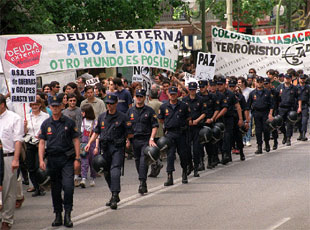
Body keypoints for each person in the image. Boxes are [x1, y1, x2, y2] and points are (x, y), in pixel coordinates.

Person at [38, 95, 81, 228]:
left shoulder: (69, 122)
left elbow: (76, 140)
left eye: (57, 106)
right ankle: (58, 214)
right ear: (50, 107)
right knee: (55, 190)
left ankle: (68, 214)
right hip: (52, 160)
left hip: (67, 159)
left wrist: (77, 159)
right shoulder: (46, 124)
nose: (55, 108)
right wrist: (41, 160)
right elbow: (41, 142)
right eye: (53, 106)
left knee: (68, 187)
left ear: (62, 106)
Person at [85, 94, 130, 210]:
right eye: (107, 103)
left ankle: (115, 195)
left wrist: (127, 140)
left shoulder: (123, 117)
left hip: (117, 147)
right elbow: (96, 131)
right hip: (105, 148)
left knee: (115, 170)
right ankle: (114, 193)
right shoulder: (102, 117)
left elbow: (129, 132)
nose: (109, 105)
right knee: (106, 172)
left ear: (116, 103)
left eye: (111, 103)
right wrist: (89, 143)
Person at [127, 89, 158, 194]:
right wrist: (126, 139)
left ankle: (142, 182)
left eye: (141, 96)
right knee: (137, 161)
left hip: (146, 139)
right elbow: (126, 127)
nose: (139, 98)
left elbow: (154, 126)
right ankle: (143, 181)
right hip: (134, 140)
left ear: (145, 98)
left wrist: (152, 138)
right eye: (137, 96)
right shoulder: (130, 111)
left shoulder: (149, 111)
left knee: (143, 160)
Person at [158, 86, 191, 186]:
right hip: (170, 134)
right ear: (168, 94)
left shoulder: (183, 106)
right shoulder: (164, 107)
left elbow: (188, 118)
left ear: (177, 94)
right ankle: (169, 177)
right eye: (171, 94)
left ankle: (184, 173)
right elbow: (161, 119)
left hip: (181, 133)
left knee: (183, 154)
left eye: (174, 94)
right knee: (170, 156)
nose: (172, 96)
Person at [0, 94, 23, 230]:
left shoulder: (14, 118)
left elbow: (18, 140)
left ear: (2, 104)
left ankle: (7, 220)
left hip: (8, 156)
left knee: (8, 189)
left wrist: (16, 159)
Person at [24, 98, 49, 197]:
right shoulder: (27, 116)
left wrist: (42, 133)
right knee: (30, 167)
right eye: (32, 105)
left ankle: (42, 185)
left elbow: (48, 129)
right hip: (30, 143)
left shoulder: (45, 116)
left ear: (40, 105)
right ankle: (36, 187)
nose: (34, 106)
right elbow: (24, 132)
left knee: (38, 165)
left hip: (41, 143)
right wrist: (25, 126)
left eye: (36, 104)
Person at [215, 77, 243, 164]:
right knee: (218, 137)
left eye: (221, 84)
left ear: (225, 85)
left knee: (228, 136)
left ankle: (228, 154)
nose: (219, 86)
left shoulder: (230, 94)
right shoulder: (215, 94)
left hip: (229, 118)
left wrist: (241, 119)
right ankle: (223, 155)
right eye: (218, 84)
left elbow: (238, 106)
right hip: (218, 118)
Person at [182, 82, 206, 177]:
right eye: (190, 89)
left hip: (197, 127)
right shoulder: (184, 100)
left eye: (194, 89)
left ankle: (196, 167)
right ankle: (189, 165)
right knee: (187, 149)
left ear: (196, 89)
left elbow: (204, 113)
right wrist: (188, 121)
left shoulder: (200, 100)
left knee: (196, 149)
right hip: (187, 128)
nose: (192, 91)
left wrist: (197, 120)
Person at [248, 76, 274, 154]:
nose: (259, 83)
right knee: (258, 131)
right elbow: (248, 105)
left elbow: (272, 105)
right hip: (256, 113)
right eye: (258, 82)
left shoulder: (267, 92)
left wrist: (270, 114)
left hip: (265, 112)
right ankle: (259, 146)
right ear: (255, 83)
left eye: (260, 82)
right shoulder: (252, 93)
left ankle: (267, 143)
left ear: (263, 83)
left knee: (266, 129)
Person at [276, 74, 300, 146]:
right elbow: (276, 98)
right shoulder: (280, 87)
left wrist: (298, 107)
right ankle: (285, 134)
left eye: (288, 78)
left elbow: (298, 98)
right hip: (281, 108)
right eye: (286, 78)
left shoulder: (294, 88)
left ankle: (288, 138)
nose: (287, 79)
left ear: (290, 79)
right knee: (280, 123)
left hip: (290, 108)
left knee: (289, 124)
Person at [79, 104, 97, 188]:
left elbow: (97, 136)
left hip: (92, 143)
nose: (82, 113)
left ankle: (92, 178)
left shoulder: (95, 122)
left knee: (92, 162)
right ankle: (83, 178)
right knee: (84, 161)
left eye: (83, 112)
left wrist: (96, 147)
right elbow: (81, 133)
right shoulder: (82, 121)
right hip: (84, 143)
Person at [147, 89, 164, 177]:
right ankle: (157, 162)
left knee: (152, 151)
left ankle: (156, 163)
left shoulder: (149, 105)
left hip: (152, 130)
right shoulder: (162, 104)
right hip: (160, 129)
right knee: (158, 149)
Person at [264, 78, 279, 150]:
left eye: (266, 83)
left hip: (274, 111)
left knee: (273, 127)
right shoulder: (263, 92)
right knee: (265, 128)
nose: (265, 85)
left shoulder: (274, 92)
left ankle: (275, 142)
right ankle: (266, 144)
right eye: (264, 84)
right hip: (265, 111)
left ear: (270, 84)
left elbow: (278, 100)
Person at [297, 74, 310, 141]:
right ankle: (300, 133)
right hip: (297, 106)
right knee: (298, 121)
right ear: (299, 79)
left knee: (304, 121)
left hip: (305, 105)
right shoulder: (296, 87)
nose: (302, 80)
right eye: (301, 78)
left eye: (303, 78)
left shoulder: (308, 87)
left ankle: (304, 134)